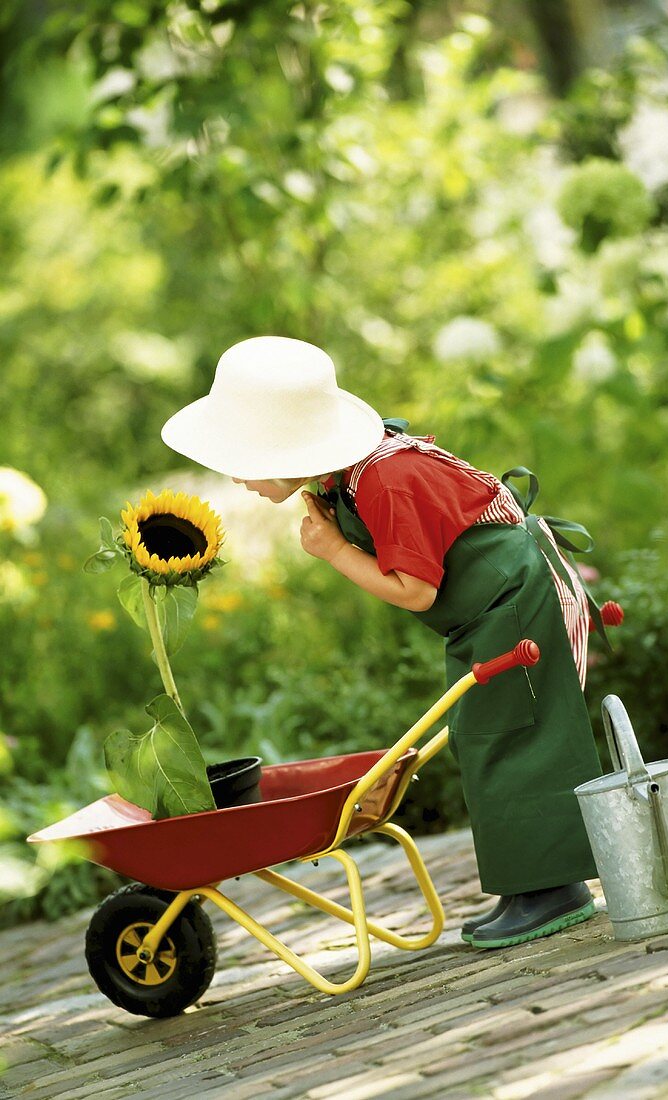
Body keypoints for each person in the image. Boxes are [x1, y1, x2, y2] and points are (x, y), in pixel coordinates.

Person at [161, 335, 605, 949]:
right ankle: (532, 885)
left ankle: (555, 889)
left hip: (515, 606)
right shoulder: (344, 476)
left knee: (515, 736)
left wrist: (336, 551)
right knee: (486, 736)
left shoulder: (384, 481)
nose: (234, 477)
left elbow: (417, 590)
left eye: (242, 457)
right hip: (485, 614)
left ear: (287, 448)